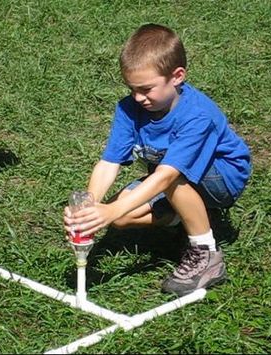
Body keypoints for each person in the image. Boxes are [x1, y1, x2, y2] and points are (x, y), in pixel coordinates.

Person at [63, 24, 251, 296]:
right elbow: (109, 163)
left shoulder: (197, 115)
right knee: (122, 216)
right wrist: (92, 208)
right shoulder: (129, 108)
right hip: (169, 177)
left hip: (222, 178)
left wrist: (110, 211)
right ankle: (190, 217)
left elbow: (166, 176)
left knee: (172, 179)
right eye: (132, 89)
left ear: (177, 76)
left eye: (147, 89)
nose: (139, 97)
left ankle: (206, 254)